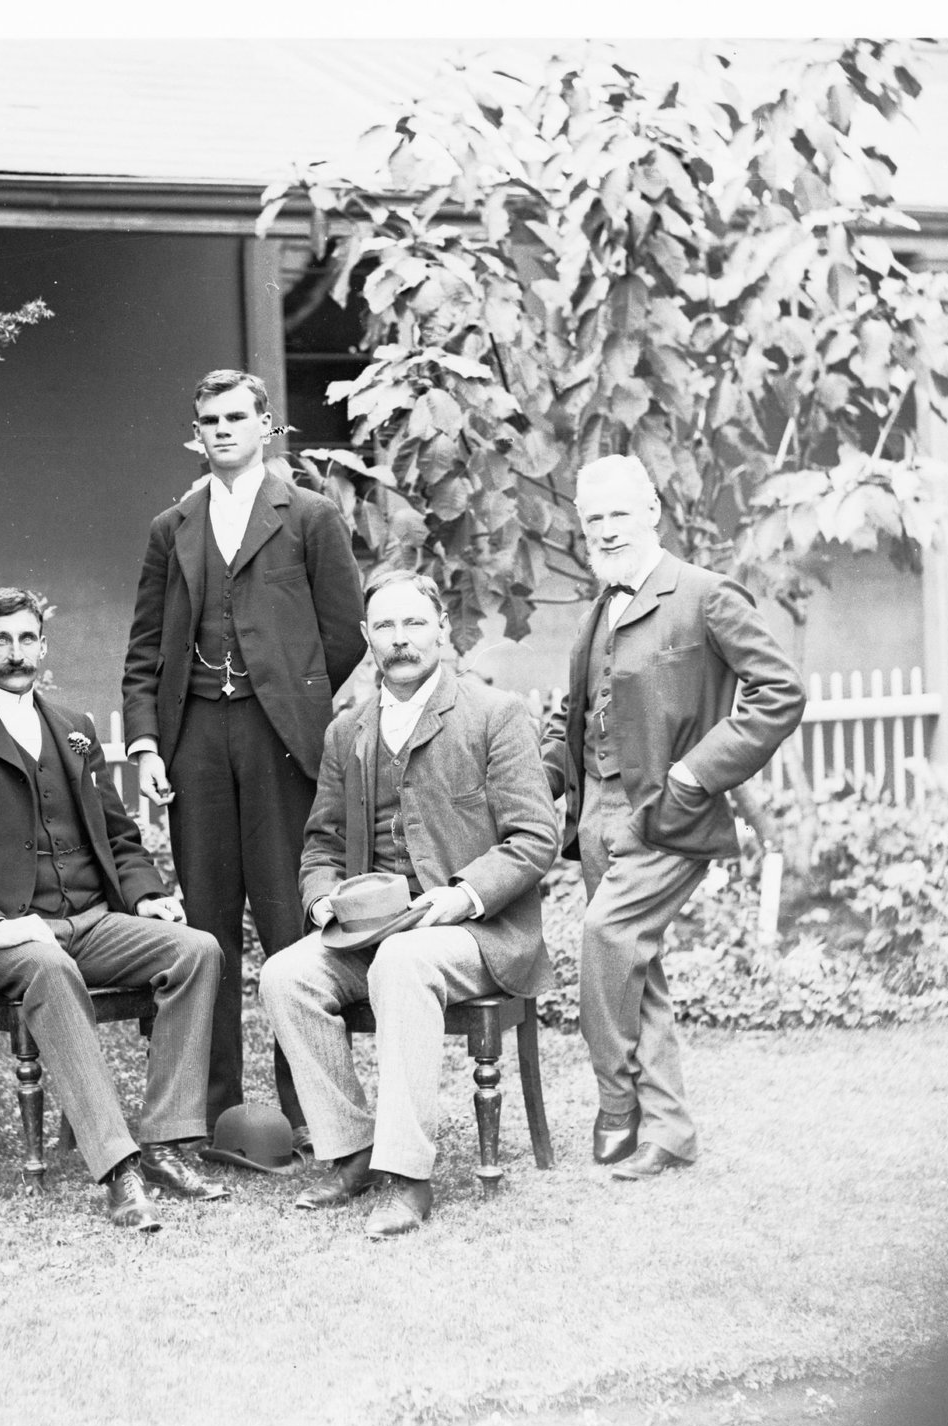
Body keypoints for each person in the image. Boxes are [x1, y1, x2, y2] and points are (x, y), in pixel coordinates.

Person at [0, 588, 230, 1232]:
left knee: (197, 950)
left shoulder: (73, 726)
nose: (15, 653)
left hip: (91, 919)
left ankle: (162, 1142)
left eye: (27, 639)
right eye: (1, 640)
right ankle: (118, 1168)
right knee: (49, 969)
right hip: (11, 933)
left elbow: (118, 832)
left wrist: (149, 895)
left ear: (43, 647)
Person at [258, 570, 559, 1237]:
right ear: (367, 639)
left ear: (441, 629)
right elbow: (322, 844)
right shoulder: (349, 732)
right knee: (286, 975)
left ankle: (407, 1176)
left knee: (401, 962)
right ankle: (352, 1147)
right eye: (386, 627)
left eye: (414, 623)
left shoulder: (493, 714)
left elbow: (536, 837)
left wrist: (464, 894)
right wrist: (323, 901)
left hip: (479, 931)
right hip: (379, 926)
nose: (401, 640)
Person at [542, 455, 805, 1180]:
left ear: (652, 513)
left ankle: (616, 1104)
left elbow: (779, 692)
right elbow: (575, 710)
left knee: (605, 937)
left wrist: (696, 772)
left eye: (618, 514)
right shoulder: (599, 608)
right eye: (592, 519)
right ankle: (670, 1130)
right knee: (636, 970)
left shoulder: (704, 595)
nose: (605, 530)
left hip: (664, 813)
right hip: (596, 814)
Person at [120, 369, 366, 1143]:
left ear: (267, 425)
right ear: (196, 433)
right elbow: (144, 651)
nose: (222, 429)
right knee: (209, 923)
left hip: (279, 740)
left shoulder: (311, 516)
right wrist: (147, 743)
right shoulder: (174, 525)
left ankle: (309, 1112)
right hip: (194, 736)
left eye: (236, 416)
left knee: (292, 920)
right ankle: (216, 1111)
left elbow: (345, 631)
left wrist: (288, 691)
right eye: (208, 420)